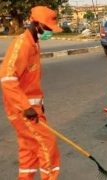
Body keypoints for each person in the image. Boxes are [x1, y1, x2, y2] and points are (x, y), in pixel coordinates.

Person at [0, 6, 61, 180]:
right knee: (47, 145)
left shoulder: (34, 43)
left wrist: (39, 105)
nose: (49, 32)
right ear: (36, 24)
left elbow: (29, 81)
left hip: (32, 108)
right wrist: (26, 107)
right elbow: (7, 78)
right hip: (23, 110)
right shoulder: (22, 44)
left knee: (29, 149)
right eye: (47, 28)